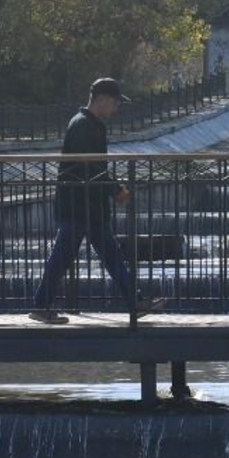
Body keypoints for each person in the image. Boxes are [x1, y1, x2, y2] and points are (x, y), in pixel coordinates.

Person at [28, 78, 163, 324]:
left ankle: (135, 301)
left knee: (109, 255)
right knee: (62, 258)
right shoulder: (82, 125)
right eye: (114, 103)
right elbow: (87, 165)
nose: (116, 108)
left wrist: (111, 189)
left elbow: (92, 166)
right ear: (101, 99)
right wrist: (114, 189)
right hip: (78, 206)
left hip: (89, 206)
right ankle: (39, 305)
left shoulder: (90, 124)